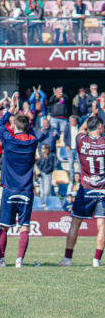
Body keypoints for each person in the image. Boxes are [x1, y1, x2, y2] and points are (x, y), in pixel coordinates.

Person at [0, 93, 39, 268]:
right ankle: (19, 261)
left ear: (14, 126)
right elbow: (31, 130)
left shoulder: (9, 141)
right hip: (26, 190)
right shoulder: (33, 141)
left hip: (9, 189)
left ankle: (1, 261)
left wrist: (11, 110)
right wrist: (24, 113)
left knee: (4, 226)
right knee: (24, 227)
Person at [58, 102, 105, 267]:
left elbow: (80, 129)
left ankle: (68, 259)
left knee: (75, 223)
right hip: (102, 189)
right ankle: (96, 260)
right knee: (102, 225)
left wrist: (92, 114)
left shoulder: (81, 140)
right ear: (100, 127)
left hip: (85, 188)